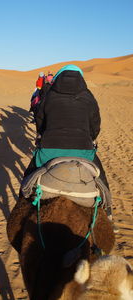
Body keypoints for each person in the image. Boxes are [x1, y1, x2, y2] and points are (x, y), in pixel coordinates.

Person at [24, 65, 116, 221]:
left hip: (49, 150)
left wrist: (44, 135)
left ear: (59, 77)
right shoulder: (88, 97)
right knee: (102, 179)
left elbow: (39, 122)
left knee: (28, 178)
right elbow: (95, 125)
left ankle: (22, 210)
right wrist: (89, 137)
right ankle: (108, 213)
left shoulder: (49, 96)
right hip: (83, 149)